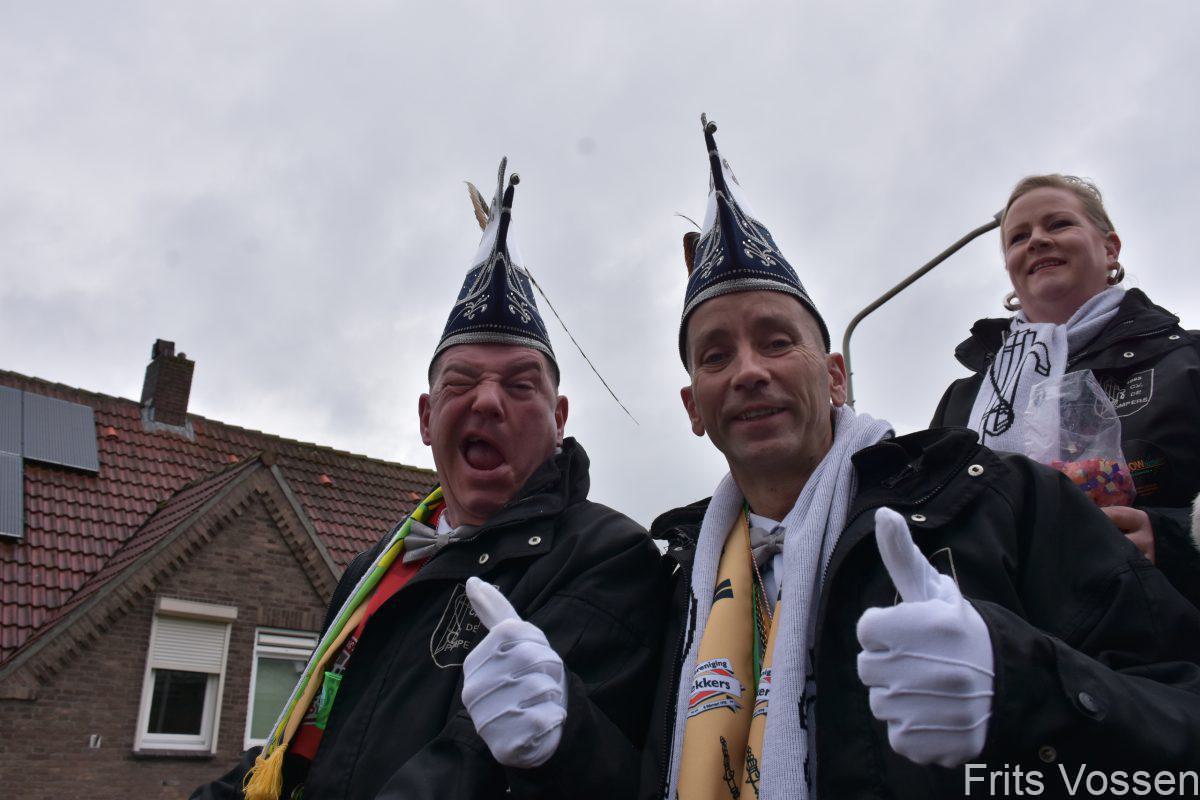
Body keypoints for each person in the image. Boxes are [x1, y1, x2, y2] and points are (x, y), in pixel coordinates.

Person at [642, 119, 1200, 800]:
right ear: (693, 408)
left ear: (836, 378)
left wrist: (1018, 683)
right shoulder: (670, 583)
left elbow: (1177, 718)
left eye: (778, 341)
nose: (749, 372)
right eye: (716, 355)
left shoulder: (989, 501)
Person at [193, 162, 663, 800]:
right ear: (425, 417)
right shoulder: (374, 569)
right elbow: (305, 747)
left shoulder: (607, 556)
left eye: (520, 384)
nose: (488, 401)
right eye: (461, 382)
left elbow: (469, 772)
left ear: (559, 420)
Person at [931, 174, 1200, 605]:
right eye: (1019, 237)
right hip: (1003, 634)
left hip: (1159, 630)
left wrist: (1173, 540)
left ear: (1110, 249)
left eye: (1058, 224)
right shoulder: (963, 401)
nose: (1037, 240)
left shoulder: (1186, 359)